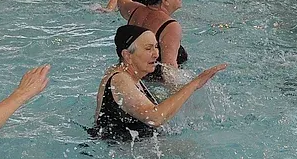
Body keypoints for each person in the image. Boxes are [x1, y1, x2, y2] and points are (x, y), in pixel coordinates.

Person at [89, 25, 224, 141]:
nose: (156, 54)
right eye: (148, 49)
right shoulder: (120, 79)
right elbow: (154, 117)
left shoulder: (126, 75)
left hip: (126, 147)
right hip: (121, 154)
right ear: (127, 55)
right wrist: (195, 84)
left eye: (156, 47)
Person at [118, 0, 188, 82]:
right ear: (165, 0)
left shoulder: (135, 10)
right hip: (155, 85)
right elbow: (169, 71)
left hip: (131, 75)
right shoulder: (171, 27)